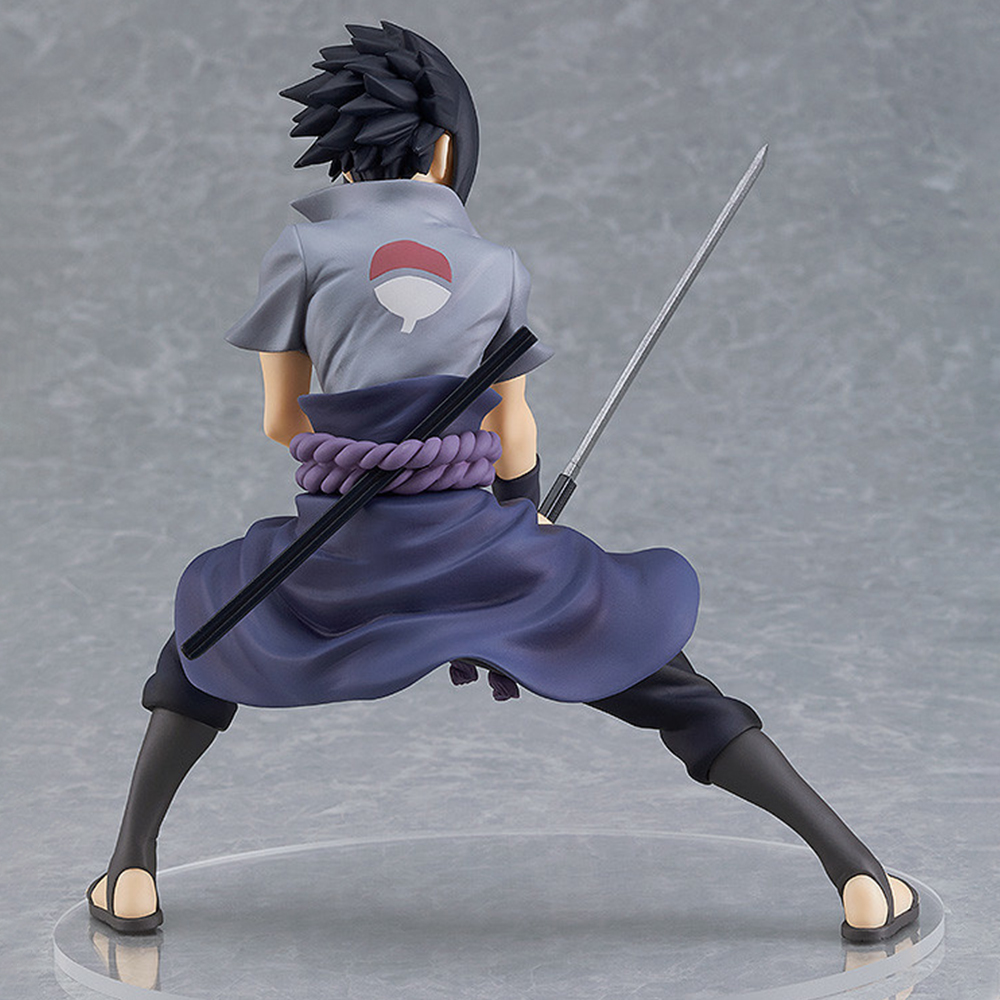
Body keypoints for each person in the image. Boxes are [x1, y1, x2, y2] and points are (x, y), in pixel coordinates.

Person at [87, 20, 918, 943]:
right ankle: (860, 877)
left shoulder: (305, 252)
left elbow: (284, 422)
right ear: (446, 152)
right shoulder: (497, 268)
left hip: (340, 559)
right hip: (479, 547)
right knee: (660, 675)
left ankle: (130, 871)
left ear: (342, 158)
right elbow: (513, 436)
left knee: (206, 637)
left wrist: (370, 453)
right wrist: (522, 533)